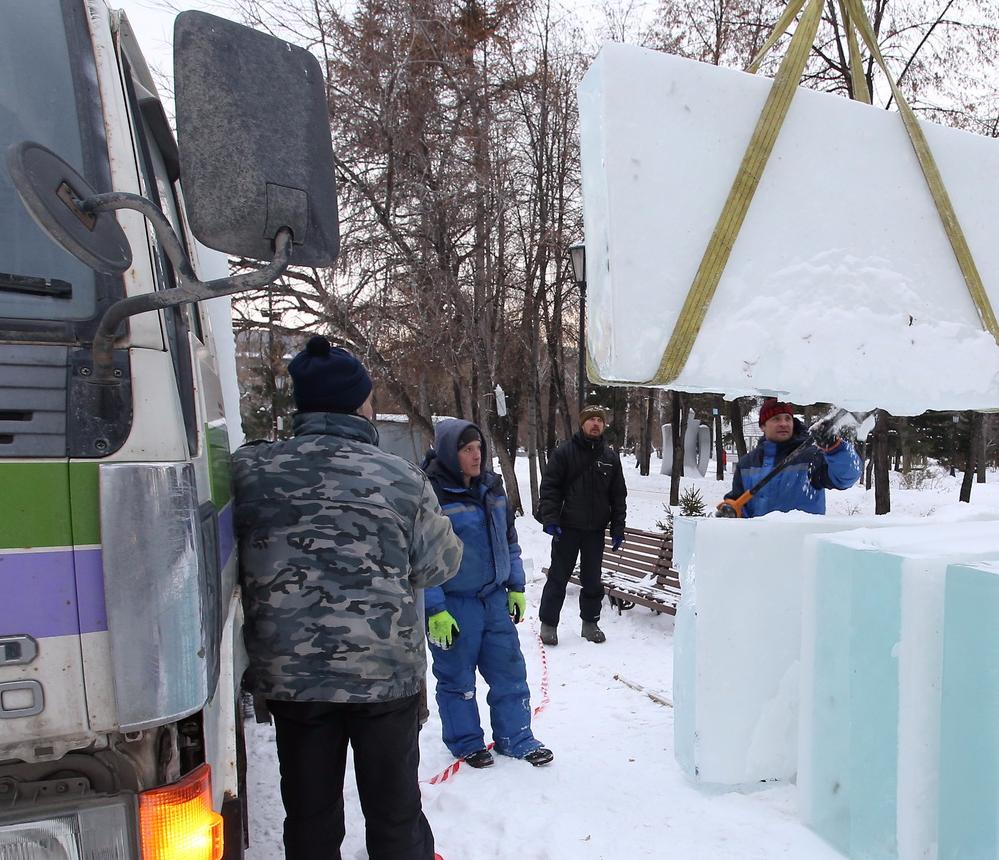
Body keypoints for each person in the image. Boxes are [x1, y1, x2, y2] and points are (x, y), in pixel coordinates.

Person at [232, 336, 462, 860]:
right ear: (360, 404)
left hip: (296, 681)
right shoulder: (401, 478)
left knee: (310, 817)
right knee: (395, 813)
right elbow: (439, 564)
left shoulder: (251, 473)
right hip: (384, 679)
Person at [421, 419, 553, 769]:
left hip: (493, 600)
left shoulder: (492, 489)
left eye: (479, 448)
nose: (476, 456)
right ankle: (466, 742)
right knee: (457, 680)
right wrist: (433, 608)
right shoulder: (430, 494)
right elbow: (419, 556)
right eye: (467, 449)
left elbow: (509, 542)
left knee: (509, 672)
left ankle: (517, 738)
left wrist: (516, 586)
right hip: (453, 605)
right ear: (451, 453)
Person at [537, 405, 627, 646]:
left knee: (592, 580)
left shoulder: (610, 458)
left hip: (594, 531)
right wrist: (551, 519)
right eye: (591, 420)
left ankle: (590, 623)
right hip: (566, 528)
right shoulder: (564, 453)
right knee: (558, 577)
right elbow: (550, 488)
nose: (595, 424)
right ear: (582, 423)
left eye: (600, 420)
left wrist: (618, 528)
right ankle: (548, 624)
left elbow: (618, 496)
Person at [721, 398, 862, 518]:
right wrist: (732, 511)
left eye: (788, 418)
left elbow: (846, 477)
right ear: (762, 426)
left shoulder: (811, 456)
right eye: (776, 419)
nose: (784, 423)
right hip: (760, 543)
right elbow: (740, 505)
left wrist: (835, 447)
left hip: (802, 544)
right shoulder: (747, 464)